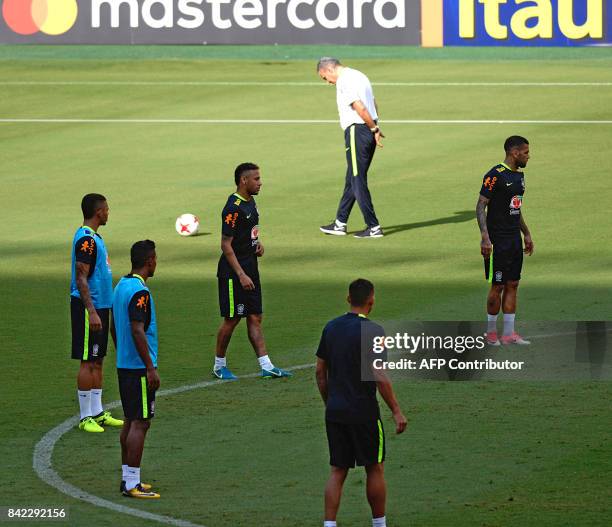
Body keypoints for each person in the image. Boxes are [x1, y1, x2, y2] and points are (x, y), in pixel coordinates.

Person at [315, 279, 407, 527]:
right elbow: (378, 374)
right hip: (364, 411)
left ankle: (329, 524)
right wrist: (396, 411)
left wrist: (329, 402)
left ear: (348, 299)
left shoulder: (331, 327)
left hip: (335, 411)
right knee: (374, 467)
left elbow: (320, 373)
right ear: (372, 300)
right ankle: (379, 524)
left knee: (338, 470)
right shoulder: (374, 331)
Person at [213, 162, 292, 380]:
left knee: (255, 316)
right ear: (243, 181)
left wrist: (257, 245)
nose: (260, 182)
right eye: (256, 179)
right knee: (232, 319)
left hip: (250, 267)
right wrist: (240, 274)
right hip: (233, 273)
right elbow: (225, 244)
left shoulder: (251, 202)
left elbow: (247, 234)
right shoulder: (233, 208)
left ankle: (266, 365)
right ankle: (219, 366)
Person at [111, 240, 160, 499]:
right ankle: (132, 484)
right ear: (149, 260)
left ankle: (127, 478)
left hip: (125, 365)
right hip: (139, 368)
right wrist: (150, 368)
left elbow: (113, 325)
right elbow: (137, 329)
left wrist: (122, 353)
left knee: (130, 420)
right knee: (140, 423)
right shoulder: (140, 292)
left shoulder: (121, 286)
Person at [70, 193, 123, 433]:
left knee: (98, 359)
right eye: (106, 209)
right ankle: (84, 417)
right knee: (87, 360)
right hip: (88, 307)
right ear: (98, 211)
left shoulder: (95, 238)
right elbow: (80, 276)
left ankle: (98, 412)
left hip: (101, 305)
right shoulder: (86, 240)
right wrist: (90, 311)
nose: (108, 212)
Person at [317, 57, 385, 239]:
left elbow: (359, 106)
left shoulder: (344, 81)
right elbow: (374, 103)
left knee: (357, 179)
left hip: (358, 130)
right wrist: (375, 126)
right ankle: (340, 222)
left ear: (330, 69)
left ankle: (373, 226)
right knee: (352, 178)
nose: (327, 82)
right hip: (367, 129)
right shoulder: (359, 75)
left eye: (325, 78)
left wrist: (373, 127)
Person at [476, 136, 534, 346]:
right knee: (498, 285)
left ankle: (509, 333)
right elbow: (481, 206)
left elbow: (515, 208)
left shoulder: (519, 177)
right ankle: (491, 334)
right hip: (497, 240)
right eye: (526, 152)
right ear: (514, 153)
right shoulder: (494, 175)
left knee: (513, 283)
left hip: (513, 240)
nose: (529, 156)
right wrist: (485, 237)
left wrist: (526, 233)